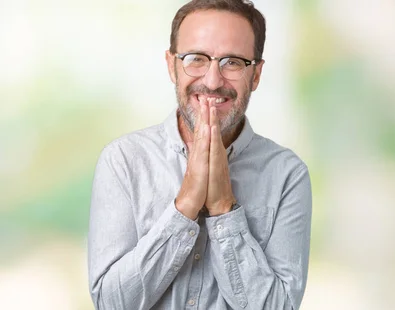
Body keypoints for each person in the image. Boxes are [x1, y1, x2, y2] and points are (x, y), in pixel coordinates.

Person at [87, 1, 312, 309]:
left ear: (256, 75)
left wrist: (223, 208)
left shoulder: (288, 175)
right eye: (196, 59)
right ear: (171, 65)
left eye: (232, 62)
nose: (212, 80)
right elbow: (111, 304)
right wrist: (186, 205)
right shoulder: (124, 161)